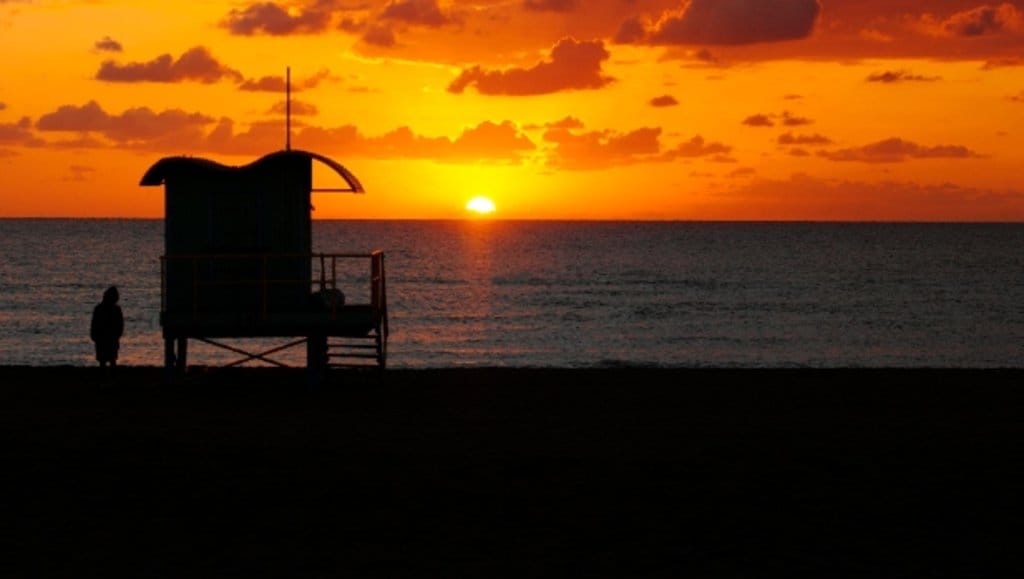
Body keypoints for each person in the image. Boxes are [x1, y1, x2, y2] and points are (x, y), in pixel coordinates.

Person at [91, 286, 124, 371]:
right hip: (106, 337)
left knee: (107, 360)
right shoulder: (114, 309)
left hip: (107, 337)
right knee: (109, 359)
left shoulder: (100, 308)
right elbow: (120, 324)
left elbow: (94, 323)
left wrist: (94, 335)